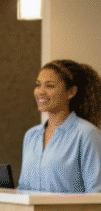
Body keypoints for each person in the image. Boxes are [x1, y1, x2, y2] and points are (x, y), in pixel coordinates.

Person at [17, 59, 101, 193]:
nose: (40, 92)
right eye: (38, 85)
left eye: (49, 86)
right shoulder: (31, 135)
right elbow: (23, 188)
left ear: (71, 92)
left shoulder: (86, 134)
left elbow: (96, 193)